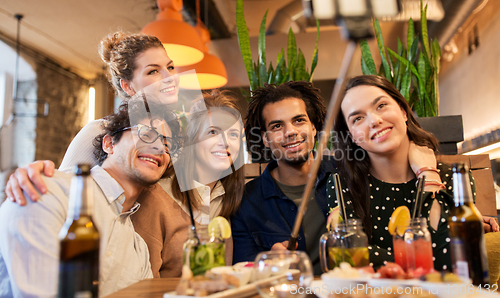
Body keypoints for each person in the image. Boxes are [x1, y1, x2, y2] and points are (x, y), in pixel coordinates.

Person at [0, 97, 181, 297]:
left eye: (167, 144)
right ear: (109, 144)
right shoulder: (46, 190)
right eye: (146, 134)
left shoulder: (138, 247)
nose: (159, 148)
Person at [329, 74, 499, 270]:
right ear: (352, 136)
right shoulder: (341, 184)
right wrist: (420, 260)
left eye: (381, 105)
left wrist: (428, 175)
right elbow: (352, 257)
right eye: (358, 118)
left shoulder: (454, 177)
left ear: (402, 111)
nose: (374, 120)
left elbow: (451, 261)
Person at [4, 31, 180, 204]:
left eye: (170, 67)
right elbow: (62, 188)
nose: (169, 77)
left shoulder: (173, 135)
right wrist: (28, 178)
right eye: (153, 71)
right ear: (127, 86)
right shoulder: (100, 130)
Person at [133, 90, 245, 277]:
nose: (224, 142)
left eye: (233, 134)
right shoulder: (156, 197)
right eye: (213, 132)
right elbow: (142, 285)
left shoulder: (227, 199)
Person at [231, 81, 334, 275]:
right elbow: (244, 275)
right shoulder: (246, 204)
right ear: (265, 139)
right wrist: (268, 265)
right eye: (277, 126)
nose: (290, 132)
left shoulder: (346, 176)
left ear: (313, 127)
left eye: (299, 121)